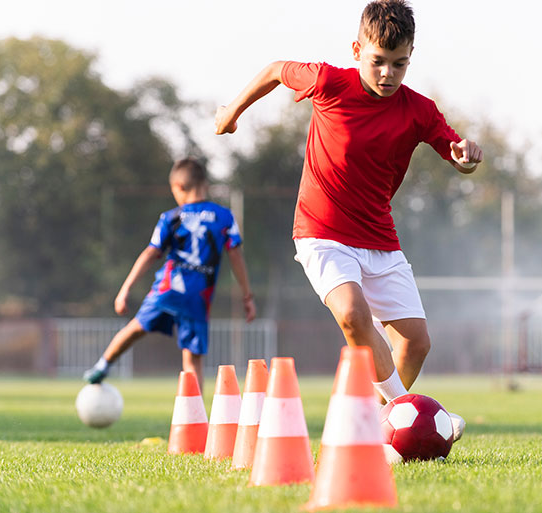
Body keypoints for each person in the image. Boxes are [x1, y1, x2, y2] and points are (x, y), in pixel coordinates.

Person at [214, 0, 481, 439]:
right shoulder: (328, 82)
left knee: (416, 344)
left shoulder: (419, 110)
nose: (387, 74)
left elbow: (456, 154)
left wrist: (466, 155)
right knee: (353, 315)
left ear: (410, 57)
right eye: (378, 61)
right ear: (357, 49)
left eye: (400, 64)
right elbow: (277, 69)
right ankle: (408, 414)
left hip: (380, 239)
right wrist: (230, 113)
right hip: (321, 233)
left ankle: (368, 430)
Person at [84, 158, 256, 392]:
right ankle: (195, 417)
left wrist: (125, 289)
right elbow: (236, 256)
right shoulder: (224, 216)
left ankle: (103, 365)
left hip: (169, 289)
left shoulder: (172, 217)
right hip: (198, 295)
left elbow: (151, 253)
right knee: (192, 358)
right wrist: (247, 296)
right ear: (205, 184)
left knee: (135, 329)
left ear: (179, 188)